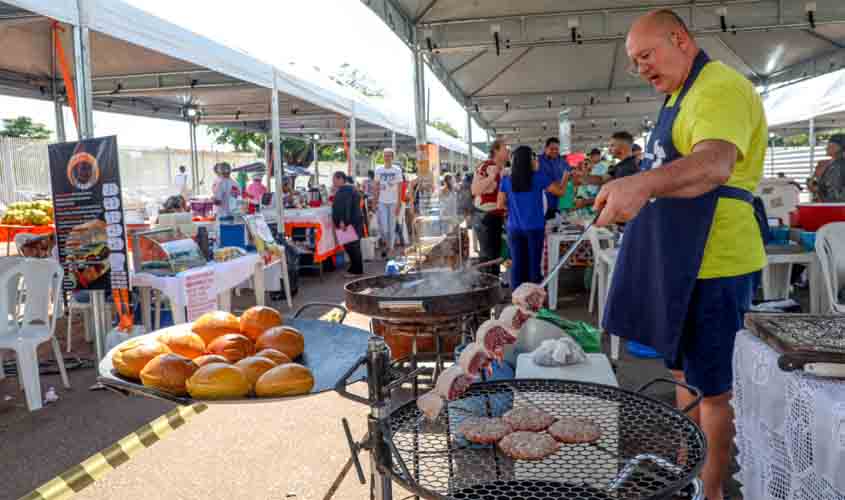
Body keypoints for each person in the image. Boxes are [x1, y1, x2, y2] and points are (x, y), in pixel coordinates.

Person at [596, 10, 767, 500]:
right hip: (675, 259)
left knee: (712, 389)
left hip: (713, 262)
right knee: (682, 377)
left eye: (646, 55)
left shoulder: (718, 88)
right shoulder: (678, 96)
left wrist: (641, 184)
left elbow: (714, 164)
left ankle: (709, 491)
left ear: (680, 39)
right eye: (635, 62)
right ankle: (687, 468)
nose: (641, 69)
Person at [497, 146, 568, 291]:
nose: (536, 160)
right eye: (534, 158)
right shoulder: (539, 177)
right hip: (535, 228)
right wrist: (566, 176)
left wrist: (515, 208)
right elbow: (560, 192)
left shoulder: (506, 180)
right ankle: (534, 298)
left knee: (517, 265)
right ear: (530, 160)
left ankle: (517, 297)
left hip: (514, 228)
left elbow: (500, 204)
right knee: (534, 265)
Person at [471, 140, 508, 276]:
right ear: (496, 151)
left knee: (494, 256)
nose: (508, 151)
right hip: (485, 217)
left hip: (494, 217)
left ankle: (492, 283)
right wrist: (491, 178)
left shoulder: (502, 168)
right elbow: (475, 190)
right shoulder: (486, 166)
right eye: (505, 148)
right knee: (489, 257)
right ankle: (487, 285)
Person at [331, 171, 364, 277]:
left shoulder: (346, 190)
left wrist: (343, 221)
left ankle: (356, 271)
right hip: (351, 222)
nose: (333, 182)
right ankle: (354, 268)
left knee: (352, 247)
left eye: (334, 180)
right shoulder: (349, 189)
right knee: (350, 246)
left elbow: (346, 206)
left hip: (348, 223)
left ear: (341, 179)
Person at [375, 148, 403, 258]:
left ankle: (390, 249)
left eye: (388, 156)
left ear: (392, 157)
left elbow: (400, 187)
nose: (386, 158)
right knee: (383, 227)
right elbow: (376, 186)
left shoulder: (397, 170)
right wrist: (374, 201)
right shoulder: (378, 169)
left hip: (393, 202)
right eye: (385, 155)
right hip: (381, 201)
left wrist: (399, 203)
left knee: (391, 227)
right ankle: (387, 245)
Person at [538, 137, 569, 219]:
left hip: (559, 205)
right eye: (552, 149)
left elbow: (569, 177)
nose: (555, 151)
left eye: (557, 149)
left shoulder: (563, 162)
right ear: (545, 148)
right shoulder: (538, 161)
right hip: (542, 205)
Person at [809, 134, 845, 202]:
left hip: (835, 206)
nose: (826, 148)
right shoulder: (832, 164)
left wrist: (815, 187)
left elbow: (833, 193)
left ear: (838, 147)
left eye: (829, 145)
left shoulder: (838, 165)